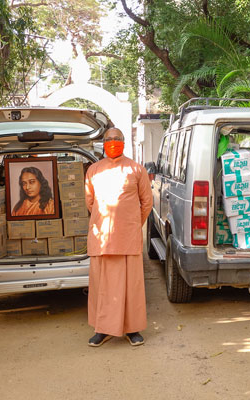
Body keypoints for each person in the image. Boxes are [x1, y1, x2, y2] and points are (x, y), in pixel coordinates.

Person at [84, 127, 153, 347]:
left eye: (117, 139)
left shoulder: (136, 169)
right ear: (103, 143)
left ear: (124, 142)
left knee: (130, 287)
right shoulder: (93, 170)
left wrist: (132, 224)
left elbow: (147, 202)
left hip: (127, 238)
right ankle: (101, 330)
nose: (113, 142)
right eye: (108, 139)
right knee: (101, 287)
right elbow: (90, 202)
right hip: (102, 237)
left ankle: (132, 330)